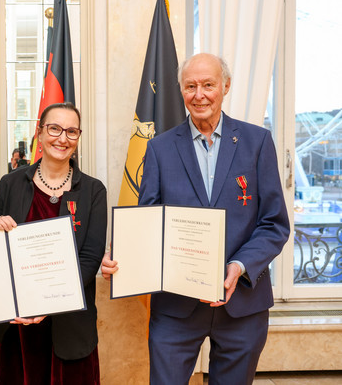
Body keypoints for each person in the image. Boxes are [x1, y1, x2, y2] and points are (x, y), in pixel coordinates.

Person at [102, 53, 290, 385]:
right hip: (176, 308)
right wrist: (121, 257)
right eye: (190, 86)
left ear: (225, 86)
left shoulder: (257, 142)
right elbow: (147, 221)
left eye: (208, 84)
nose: (199, 94)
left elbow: (274, 223)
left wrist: (240, 266)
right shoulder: (159, 148)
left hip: (242, 305)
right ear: (181, 91)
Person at [0, 102, 107, 385]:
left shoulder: (93, 191)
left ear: (78, 137)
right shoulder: (10, 183)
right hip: (14, 325)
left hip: (69, 325)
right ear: (39, 132)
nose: (62, 138)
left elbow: (89, 258)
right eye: (54, 128)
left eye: (72, 131)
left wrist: (47, 301)